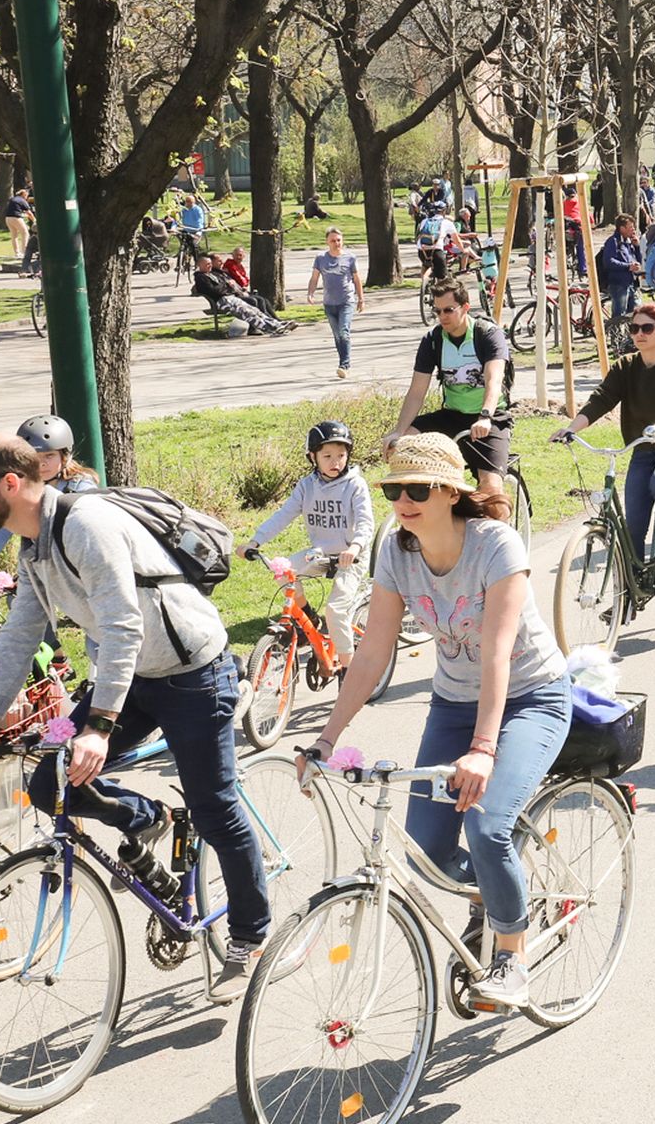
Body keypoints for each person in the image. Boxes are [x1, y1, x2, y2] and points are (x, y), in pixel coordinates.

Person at [0, 433, 269, 988]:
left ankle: (251, 934)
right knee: (50, 785)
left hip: (192, 674)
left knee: (215, 807)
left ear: (10, 484)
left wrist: (96, 727)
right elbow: (21, 633)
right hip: (129, 678)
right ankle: (151, 819)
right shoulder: (32, 541)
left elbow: (123, 627)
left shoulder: (85, 525)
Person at [303, 433, 570, 1009]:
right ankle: (510, 890)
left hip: (531, 696)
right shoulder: (396, 552)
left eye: (417, 488)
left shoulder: (494, 544)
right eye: (395, 488)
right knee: (427, 851)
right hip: (453, 702)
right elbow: (373, 652)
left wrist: (483, 748)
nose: (403, 499)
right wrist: (326, 738)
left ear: (450, 492)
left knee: (487, 825)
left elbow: (498, 652)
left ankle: (512, 956)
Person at [559, 302, 655, 566]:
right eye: (634, 328)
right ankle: (628, 597)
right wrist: (571, 428)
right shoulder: (626, 366)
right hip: (644, 449)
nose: (639, 333)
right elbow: (601, 399)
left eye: (647, 328)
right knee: (633, 528)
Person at [243, 421, 376, 670]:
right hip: (321, 554)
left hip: (351, 556)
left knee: (336, 612)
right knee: (282, 572)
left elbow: (365, 523)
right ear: (312, 457)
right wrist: (255, 540)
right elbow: (283, 515)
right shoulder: (307, 486)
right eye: (327, 456)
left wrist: (355, 547)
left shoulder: (355, 485)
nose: (335, 461)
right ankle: (309, 620)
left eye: (341, 455)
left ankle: (349, 670)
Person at [383, 279, 514, 494]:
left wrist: (485, 416)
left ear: (465, 308)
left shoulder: (488, 334)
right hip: (451, 415)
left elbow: (494, 380)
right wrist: (398, 432)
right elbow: (417, 392)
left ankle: (499, 527)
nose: (442, 316)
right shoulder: (433, 340)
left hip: (489, 417)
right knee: (405, 440)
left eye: (448, 310)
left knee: (490, 486)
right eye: (437, 311)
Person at [0, 415, 102, 588]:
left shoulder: (81, 488)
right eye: (35, 456)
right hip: (44, 567)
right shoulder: (23, 488)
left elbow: (92, 535)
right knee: (18, 599)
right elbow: (3, 529)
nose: (42, 464)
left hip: (83, 570)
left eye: (49, 455)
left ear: (65, 456)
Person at [305, 227, 366, 377]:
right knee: (337, 335)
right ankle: (342, 362)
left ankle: (344, 365)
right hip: (329, 303)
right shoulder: (320, 258)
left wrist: (361, 299)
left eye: (339, 240)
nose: (336, 243)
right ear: (327, 242)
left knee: (344, 332)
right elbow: (314, 278)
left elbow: (357, 279)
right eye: (333, 240)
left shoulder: (350, 258)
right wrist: (310, 293)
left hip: (346, 301)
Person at [190, 254, 286, 335]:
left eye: (210, 264)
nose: (210, 266)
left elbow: (224, 285)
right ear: (200, 265)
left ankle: (276, 324)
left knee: (254, 310)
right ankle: (270, 328)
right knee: (248, 313)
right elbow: (214, 291)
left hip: (230, 297)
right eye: (207, 264)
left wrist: (226, 286)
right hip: (222, 301)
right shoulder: (201, 278)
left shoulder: (212, 274)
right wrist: (226, 286)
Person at [598, 214, 645, 332]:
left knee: (634, 312)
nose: (633, 230)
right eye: (630, 227)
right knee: (619, 315)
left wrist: (637, 247)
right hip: (619, 284)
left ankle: (630, 340)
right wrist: (627, 267)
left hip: (631, 283)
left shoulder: (629, 243)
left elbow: (637, 260)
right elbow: (608, 262)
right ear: (622, 228)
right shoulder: (613, 242)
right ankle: (616, 342)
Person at [416, 205, 461, 282]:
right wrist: (462, 249)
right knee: (442, 276)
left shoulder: (424, 221)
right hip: (436, 250)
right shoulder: (447, 222)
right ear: (444, 211)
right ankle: (439, 291)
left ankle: (424, 285)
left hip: (422, 250)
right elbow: (456, 240)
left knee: (426, 265)